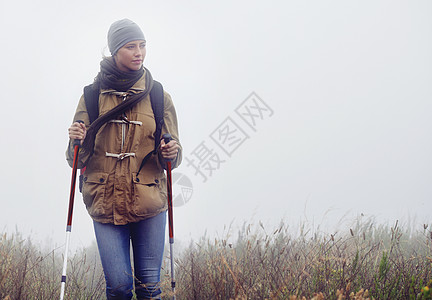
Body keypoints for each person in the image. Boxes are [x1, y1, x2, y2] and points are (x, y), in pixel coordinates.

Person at [66, 19, 181, 299]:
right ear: (115, 50)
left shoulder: (158, 96)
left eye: (142, 45)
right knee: (118, 287)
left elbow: (173, 154)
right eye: (131, 47)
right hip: (105, 201)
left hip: (150, 200)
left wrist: (171, 151)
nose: (139, 52)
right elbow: (75, 160)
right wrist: (76, 140)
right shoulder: (92, 96)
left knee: (150, 288)